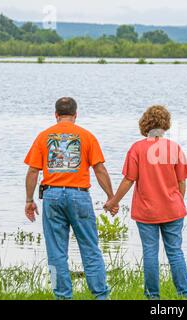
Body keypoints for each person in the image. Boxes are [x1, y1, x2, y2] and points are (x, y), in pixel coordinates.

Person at [24, 97, 118, 300]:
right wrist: (111, 197)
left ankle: (62, 296)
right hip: (79, 196)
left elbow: (33, 171)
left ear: (56, 115)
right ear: (75, 115)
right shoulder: (87, 136)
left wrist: (29, 200)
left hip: (52, 195)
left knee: (56, 253)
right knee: (90, 249)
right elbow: (99, 169)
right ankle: (101, 296)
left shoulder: (43, 136)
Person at [104, 105, 187, 299]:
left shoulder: (137, 149)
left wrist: (113, 201)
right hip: (173, 209)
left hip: (147, 212)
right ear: (165, 125)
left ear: (145, 124)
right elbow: (181, 181)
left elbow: (128, 180)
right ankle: (185, 294)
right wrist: (177, 202)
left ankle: (153, 296)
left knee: (150, 253)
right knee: (175, 252)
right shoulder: (174, 148)